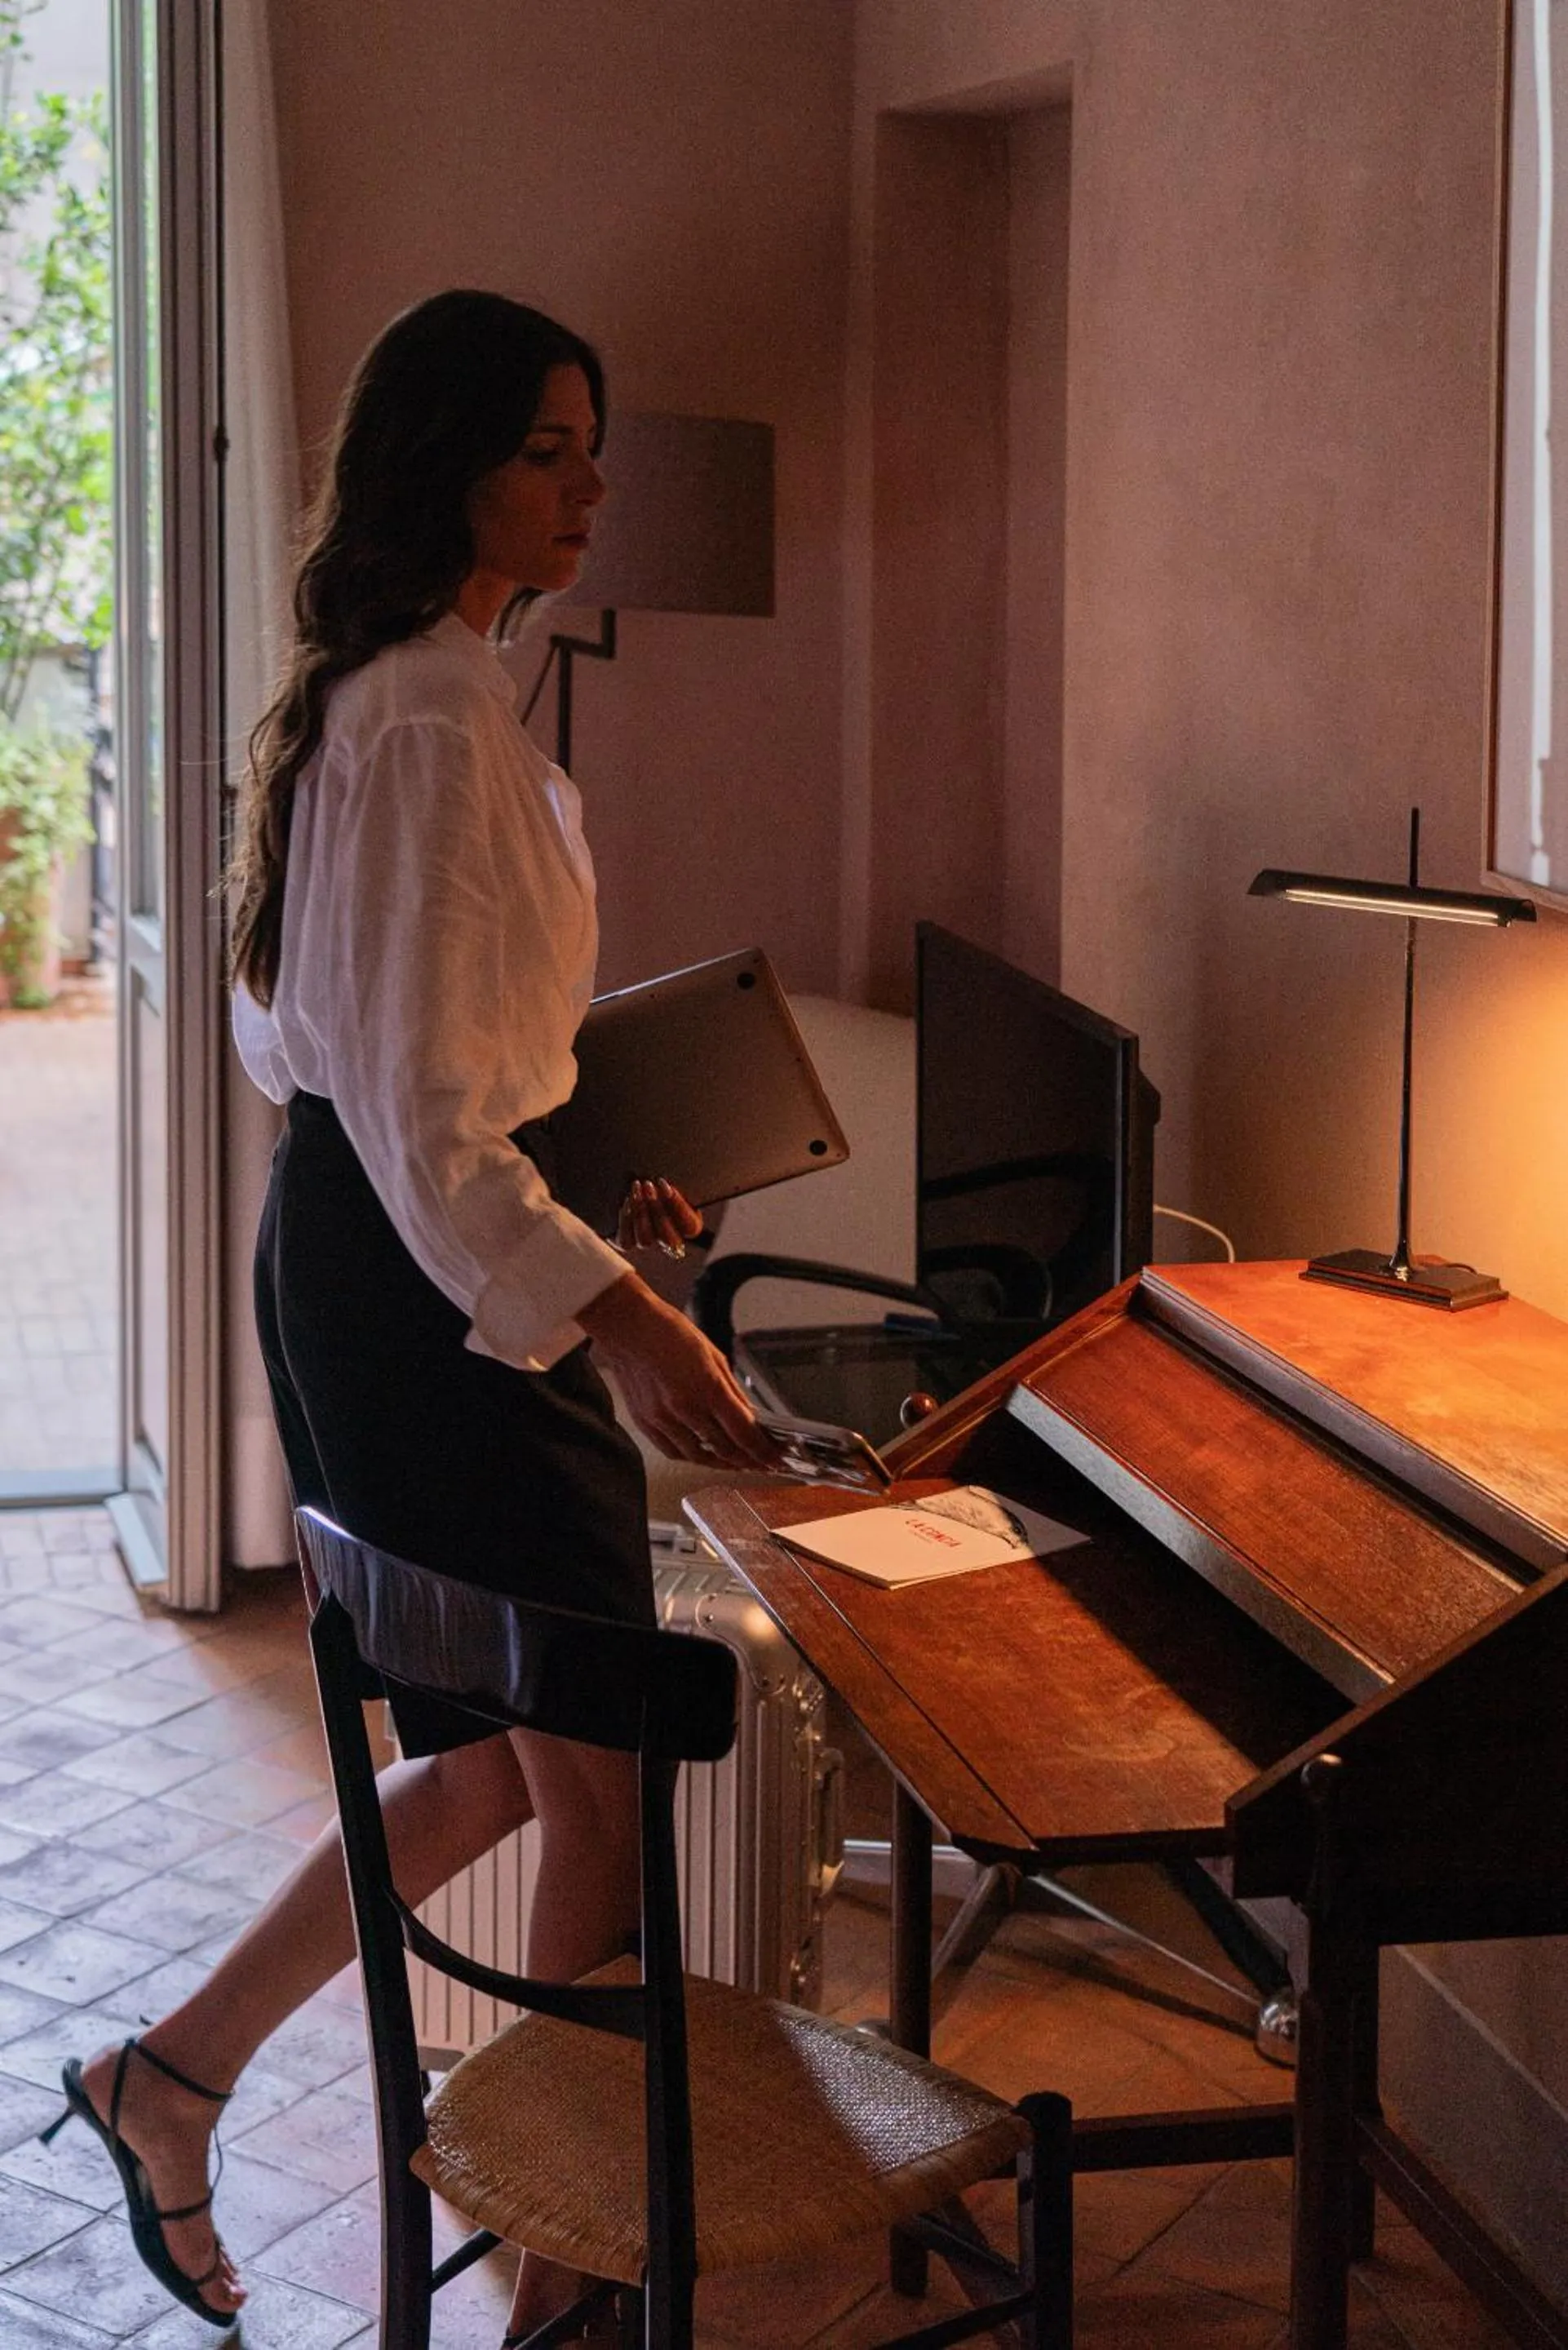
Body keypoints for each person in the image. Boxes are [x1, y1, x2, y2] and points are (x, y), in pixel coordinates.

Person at [43, 289, 775, 2343]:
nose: (592, 486)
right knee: (597, 1781)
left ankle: (167, 2081)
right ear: (443, 460)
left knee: (493, 1769)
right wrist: (617, 1307)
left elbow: (386, 1068)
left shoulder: (405, 691)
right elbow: (419, 1109)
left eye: (588, 446)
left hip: (386, 1270)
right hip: (429, 1302)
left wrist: (578, 1211)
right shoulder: (433, 716)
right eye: (549, 447)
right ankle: (560, 2295)